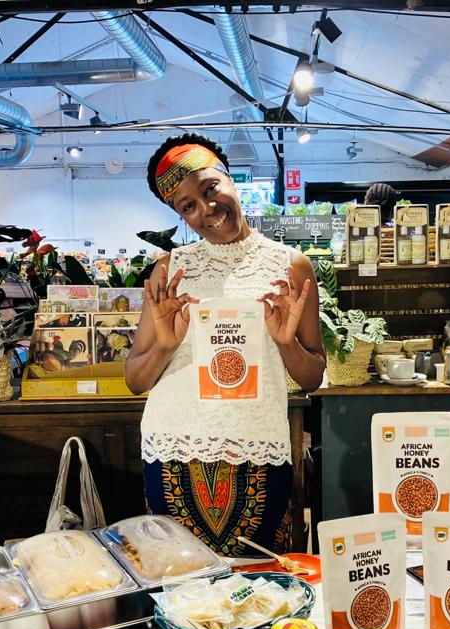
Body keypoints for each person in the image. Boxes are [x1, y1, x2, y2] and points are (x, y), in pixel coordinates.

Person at [128, 134, 325, 555]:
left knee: (261, 583)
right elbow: (135, 380)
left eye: (209, 188)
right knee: (180, 585)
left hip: (258, 446)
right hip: (174, 448)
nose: (207, 209)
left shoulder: (293, 266)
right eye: (188, 207)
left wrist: (285, 342)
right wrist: (165, 345)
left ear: (229, 177)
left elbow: (312, 375)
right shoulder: (170, 270)